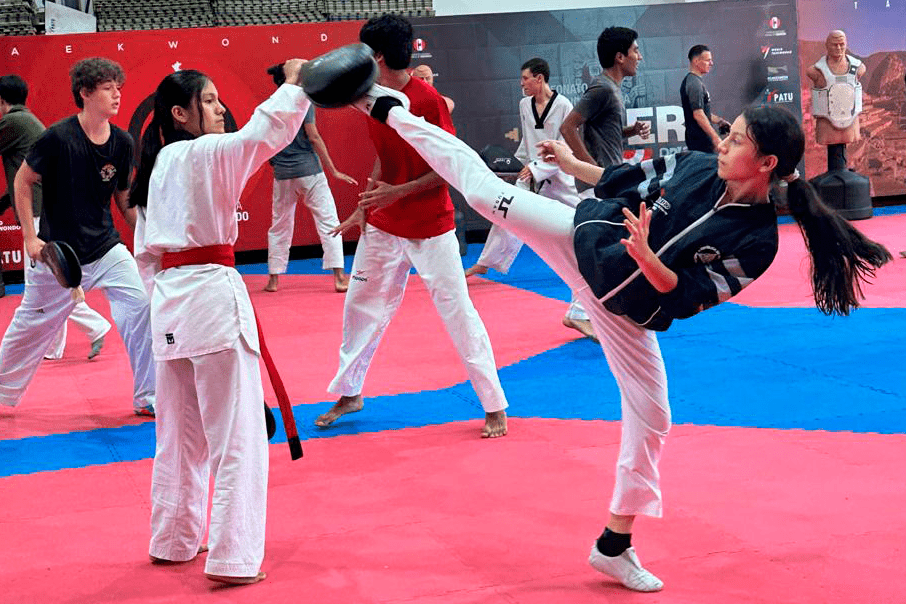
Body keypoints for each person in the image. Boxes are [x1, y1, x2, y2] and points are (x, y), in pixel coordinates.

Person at [346, 79, 892, 591]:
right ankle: (390, 108)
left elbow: (683, 294)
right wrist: (569, 162)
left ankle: (614, 543)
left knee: (654, 417)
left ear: (768, 163)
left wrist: (651, 260)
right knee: (486, 193)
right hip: (582, 245)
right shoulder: (696, 165)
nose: (723, 143)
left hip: (628, 313)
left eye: (737, 139)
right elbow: (618, 180)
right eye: (728, 133)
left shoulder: (758, 244)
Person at [130, 61, 311, 585]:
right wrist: (294, 86)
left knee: (180, 436)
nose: (219, 108)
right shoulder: (207, 152)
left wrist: (161, 310)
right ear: (180, 114)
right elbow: (266, 132)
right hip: (210, 299)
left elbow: (146, 257)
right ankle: (233, 556)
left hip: (170, 306)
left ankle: (173, 538)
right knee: (237, 436)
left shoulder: (158, 166)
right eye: (207, 101)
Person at [318, 14, 510, 438]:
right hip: (384, 225)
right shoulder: (371, 97)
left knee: (458, 313)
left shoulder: (426, 101)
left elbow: (450, 169)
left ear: (379, 56)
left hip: (430, 225)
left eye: (367, 52)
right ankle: (350, 392)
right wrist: (365, 206)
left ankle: (494, 404)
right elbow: (385, 159)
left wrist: (396, 193)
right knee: (360, 306)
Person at [0, 58, 155, 416]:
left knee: (142, 309)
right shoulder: (57, 137)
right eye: (107, 88)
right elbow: (22, 181)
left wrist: (148, 241)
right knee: (30, 326)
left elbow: (123, 198)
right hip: (57, 254)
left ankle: (149, 397)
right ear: (85, 93)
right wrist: (29, 236)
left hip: (106, 248)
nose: (117, 94)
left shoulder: (122, 141)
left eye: (119, 86)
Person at [464, 58, 596, 340]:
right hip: (531, 171)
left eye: (525, 78)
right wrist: (517, 167)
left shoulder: (563, 106)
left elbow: (564, 149)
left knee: (581, 225)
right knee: (506, 210)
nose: (522, 84)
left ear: (540, 79)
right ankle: (486, 262)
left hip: (560, 174)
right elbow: (526, 141)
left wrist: (537, 167)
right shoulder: (524, 105)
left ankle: (581, 305)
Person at [0, 74, 111, 358]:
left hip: (39, 215)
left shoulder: (14, 122)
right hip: (47, 209)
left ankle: (94, 326)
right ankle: (55, 346)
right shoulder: (26, 121)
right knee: (51, 280)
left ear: (1, 102)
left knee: (43, 285)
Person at [263, 64, 355, 294]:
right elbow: (313, 136)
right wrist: (333, 170)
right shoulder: (303, 100)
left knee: (279, 226)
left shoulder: (270, 105)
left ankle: (273, 280)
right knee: (328, 221)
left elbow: (264, 141)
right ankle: (338, 278)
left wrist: (275, 163)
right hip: (310, 172)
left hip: (283, 175)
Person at [560, 26, 650, 195]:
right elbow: (567, 127)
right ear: (620, 57)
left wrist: (633, 130)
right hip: (597, 186)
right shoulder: (603, 88)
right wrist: (593, 171)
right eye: (636, 51)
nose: (640, 57)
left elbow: (603, 133)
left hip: (606, 181)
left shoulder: (611, 88)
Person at [680, 45, 730, 153]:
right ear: (697, 61)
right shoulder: (694, 84)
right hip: (700, 143)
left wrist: (720, 121)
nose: (711, 63)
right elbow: (698, 115)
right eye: (708, 60)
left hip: (701, 142)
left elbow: (702, 112)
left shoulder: (695, 81)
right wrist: (716, 139)